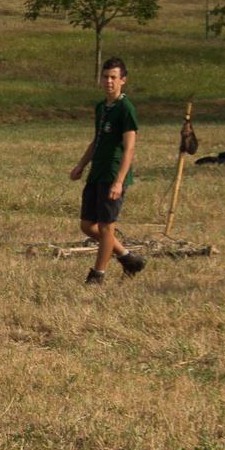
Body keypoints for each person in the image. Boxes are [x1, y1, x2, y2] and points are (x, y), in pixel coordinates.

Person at [68, 57, 145, 285]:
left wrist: (119, 181)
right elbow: (97, 140)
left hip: (112, 173)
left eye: (113, 77)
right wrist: (81, 165)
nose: (108, 81)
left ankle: (97, 275)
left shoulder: (125, 109)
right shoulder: (101, 107)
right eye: (105, 77)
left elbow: (129, 147)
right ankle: (128, 258)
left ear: (123, 80)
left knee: (106, 227)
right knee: (87, 225)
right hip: (97, 172)